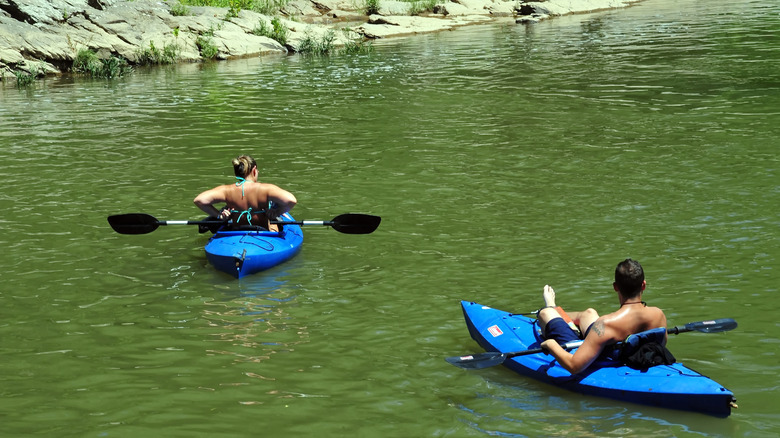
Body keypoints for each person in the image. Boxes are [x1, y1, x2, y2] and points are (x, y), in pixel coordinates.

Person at [538, 259, 667, 374]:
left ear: (615, 287)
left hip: (601, 351)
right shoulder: (658, 314)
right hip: (606, 342)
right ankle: (556, 310)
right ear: (643, 285)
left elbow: (574, 366)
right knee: (589, 313)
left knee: (545, 313)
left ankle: (551, 306)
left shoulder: (605, 323)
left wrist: (551, 344)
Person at [193, 155, 297, 232]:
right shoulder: (265, 189)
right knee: (274, 224)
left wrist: (219, 215)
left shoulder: (227, 190)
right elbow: (291, 200)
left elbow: (199, 200)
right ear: (254, 170)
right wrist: (276, 212)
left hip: (236, 232)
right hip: (262, 231)